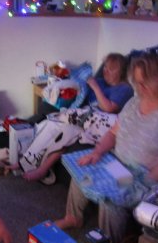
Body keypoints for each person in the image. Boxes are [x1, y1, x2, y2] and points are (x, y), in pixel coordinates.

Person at [55, 54, 158, 243]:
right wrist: (97, 152)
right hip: (120, 164)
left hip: (147, 178)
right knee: (83, 168)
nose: (139, 88)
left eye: (145, 83)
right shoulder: (135, 102)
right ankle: (73, 217)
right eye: (137, 82)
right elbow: (113, 133)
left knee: (111, 200)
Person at [20, 53, 134, 183]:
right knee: (56, 127)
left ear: (121, 71)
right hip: (81, 118)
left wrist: (95, 87)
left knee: (59, 124)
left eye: (110, 69)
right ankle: (28, 163)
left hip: (97, 124)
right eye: (105, 67)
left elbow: (109, 108)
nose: (105, 71)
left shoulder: (125, 88)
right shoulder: (101, 81)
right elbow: (81, 91)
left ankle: (40, 168)